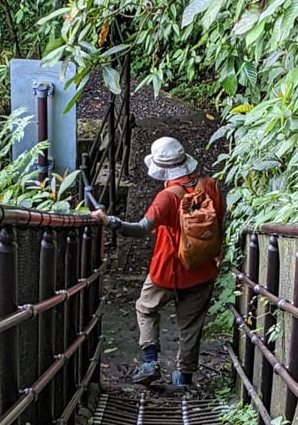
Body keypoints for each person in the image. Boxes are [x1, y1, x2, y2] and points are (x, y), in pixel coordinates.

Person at [92, 136, 225, 388]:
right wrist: (218, 255)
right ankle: (183, 378)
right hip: (202, 269)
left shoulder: (167, 197)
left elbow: (141, 229)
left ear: (161, 168)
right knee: (191, 325)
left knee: (145, 307)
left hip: (166, 269)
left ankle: (151, 362)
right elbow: (219, 226)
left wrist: (109, 221)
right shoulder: (212, 187)